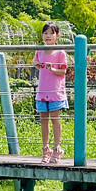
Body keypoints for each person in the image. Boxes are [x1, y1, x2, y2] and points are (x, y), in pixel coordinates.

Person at [33, 22, 68, 163]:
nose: (48, 36)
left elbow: (64, 71)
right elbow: (36, 62)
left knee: (55, 119)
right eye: (45, 33)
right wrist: (36, 64)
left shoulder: (60, 52)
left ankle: (57, 148)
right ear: (42, 35)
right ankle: (45, 148)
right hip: (42, 91)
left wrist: (52, 69)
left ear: (57, 36)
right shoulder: (39, 51)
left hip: (55, 91)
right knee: (43, 120)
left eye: (51, 33)